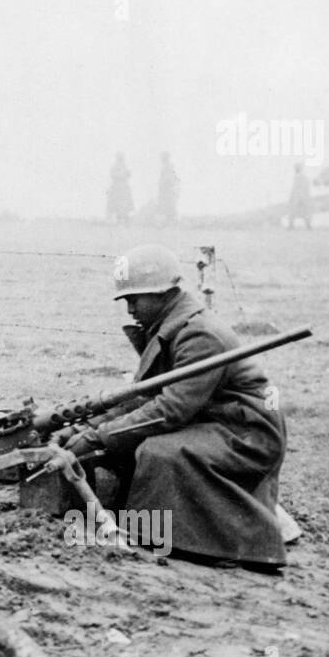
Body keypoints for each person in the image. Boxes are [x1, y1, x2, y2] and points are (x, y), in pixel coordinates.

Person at [57, 243, 288, 570]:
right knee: (128, 446)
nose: (130, 310)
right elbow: (142, 397)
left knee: (158, 452)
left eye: (135, 299)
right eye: (126, 300)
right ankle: (157, 528)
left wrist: (99, 437)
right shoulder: (173, 328)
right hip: (214, 423)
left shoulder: (200, 335)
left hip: (245, 433)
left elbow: (171, 409)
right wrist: (88, 428)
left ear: (163, 293)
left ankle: (206, 543)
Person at [106, 153, 134, 224]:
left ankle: (125, 219)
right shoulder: (115, 166)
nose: (121, 159)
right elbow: (113, 174)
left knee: (125, 204)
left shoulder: (124, 166)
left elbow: (129, 174)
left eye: (122, 158)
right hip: (117, 187)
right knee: (117, 204)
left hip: (124, 188)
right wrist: (122, 174)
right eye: (120, 158)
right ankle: (119, 219)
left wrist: (127, 173)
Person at [287, 162, 313, 228]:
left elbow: (295, 189)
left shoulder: (298, 177)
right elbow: (307, 187)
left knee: (294, 210)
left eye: (296, 168)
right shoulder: (304, 177)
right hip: (303, 197)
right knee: (305, 211)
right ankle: (307, 225)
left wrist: (292, 197)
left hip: (299, 197)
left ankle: (291, 225)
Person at [156, 153, 180, 225]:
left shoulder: (168, 167)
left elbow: (168, 178)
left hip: (167, 189)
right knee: (167, 204)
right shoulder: (167, 166)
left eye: (163, 158)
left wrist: (164, 184)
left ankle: (170, 220)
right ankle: (169, 219)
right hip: (166, 189)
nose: (161, 159)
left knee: (168, 204)